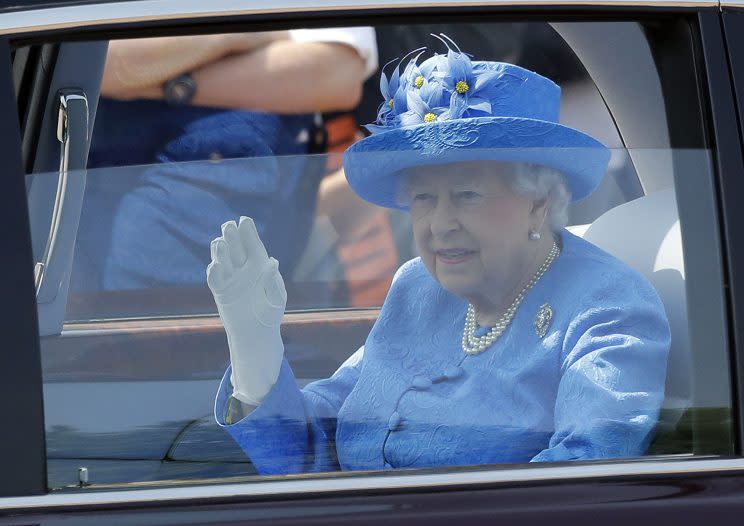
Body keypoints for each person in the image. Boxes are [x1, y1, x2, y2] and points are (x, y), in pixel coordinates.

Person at [207, 40, 671, 474]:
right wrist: (255, 351)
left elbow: (585, 478)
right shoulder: (418, 288)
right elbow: (306, 453)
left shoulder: (606, 307)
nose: (439, 223)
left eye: (466, 195)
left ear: (538, 201)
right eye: (424, 199)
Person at [72, 28, 377, 298]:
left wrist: (162, 81)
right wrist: (247, 33)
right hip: (105, 184)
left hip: (258, 201)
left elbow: (337, 72)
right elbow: (107, 64)